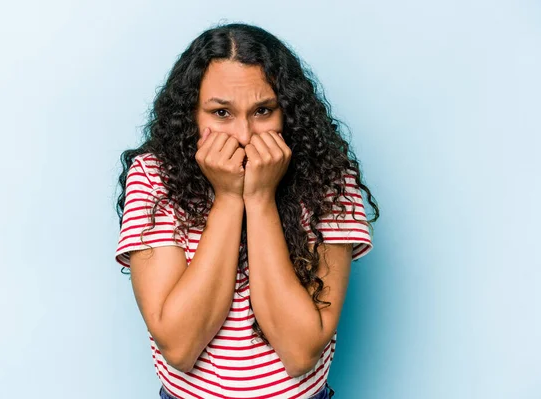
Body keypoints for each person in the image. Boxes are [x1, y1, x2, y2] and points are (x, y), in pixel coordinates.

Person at [114, 22, 379, 399]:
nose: (243, 134)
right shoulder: (155, 176)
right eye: (221, 113)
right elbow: (180, 347)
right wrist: (227, 198)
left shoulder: (329, 178)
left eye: (263, 110)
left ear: (286, 112)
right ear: (193, 115)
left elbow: (301, 352)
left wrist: (259, 198)